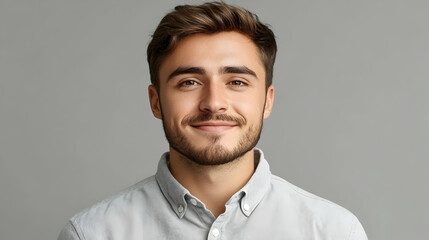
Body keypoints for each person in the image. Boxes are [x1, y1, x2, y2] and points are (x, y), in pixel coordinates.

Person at [58, 2, 367, 239]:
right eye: (189, 82)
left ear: (267, 101)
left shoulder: (333, 232)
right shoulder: (92, 233)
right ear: (155, 101)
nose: (213, 103)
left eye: (237, 82)